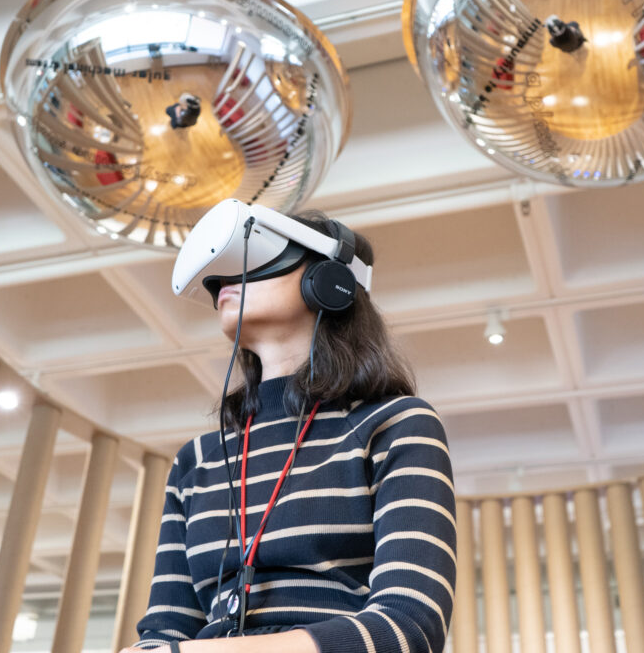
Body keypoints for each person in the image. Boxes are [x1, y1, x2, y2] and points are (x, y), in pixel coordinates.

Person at [124, 211, 457, 652]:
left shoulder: (395, 425)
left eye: (258, 257)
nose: (225, 279)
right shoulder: (197, 461)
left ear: (329, 282)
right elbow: (164, 631)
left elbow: (409, 627)